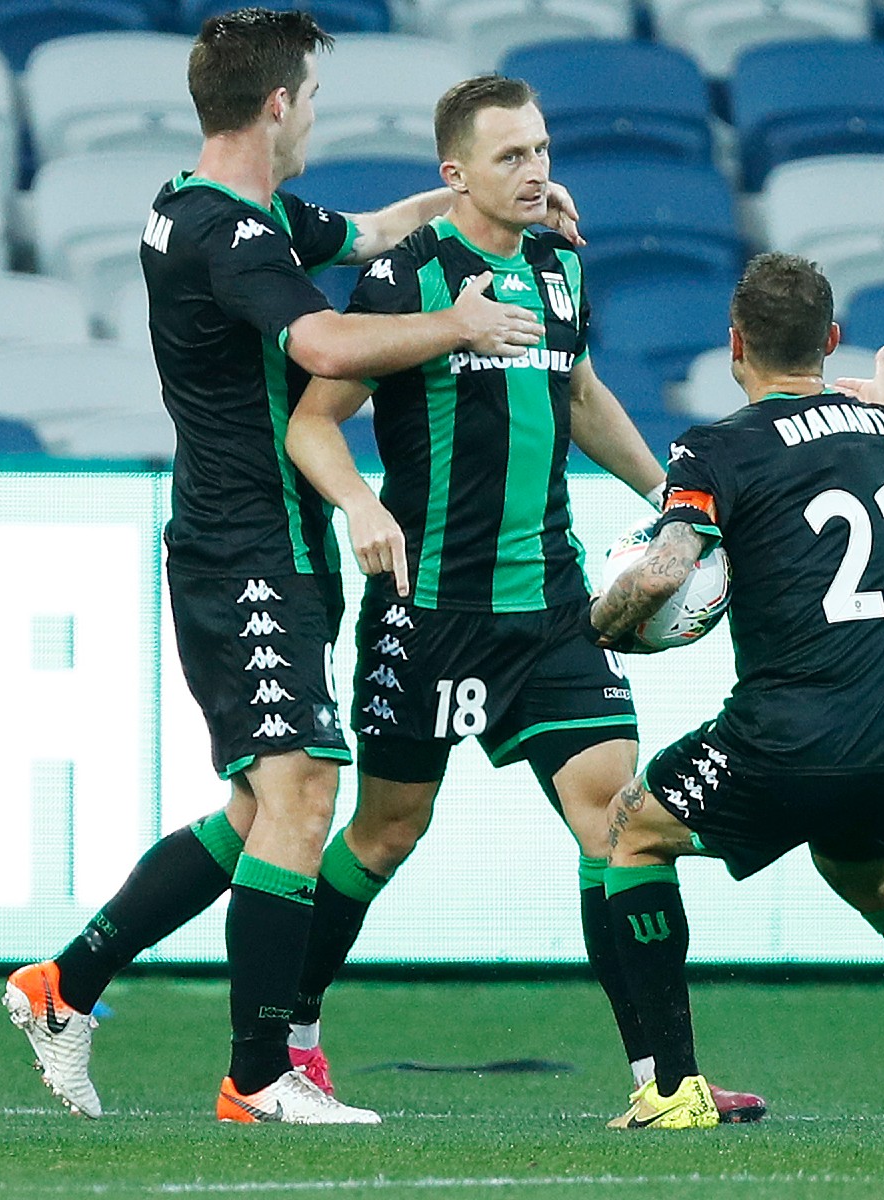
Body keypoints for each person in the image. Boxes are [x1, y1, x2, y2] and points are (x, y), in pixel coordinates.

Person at [2, 11, 575, 1126]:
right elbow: (320, 345)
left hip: (279, 542)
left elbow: (372, 231)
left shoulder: (233, 211)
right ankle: (260, 1076)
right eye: (310, 99)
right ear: (277, 104)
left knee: (256, 807)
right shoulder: (227, 233)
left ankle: (63, 985)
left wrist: (498, 202)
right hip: (242, 548)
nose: (314, 116)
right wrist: (455, 323)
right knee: (305, 787)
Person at [284, 75, 765, 1122]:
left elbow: (579, 393)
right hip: (429, 611)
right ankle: (291, 1040)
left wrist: (672, 503)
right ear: (454, 173)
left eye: (542, 150)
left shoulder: (557, 266)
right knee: (386, 832)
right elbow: (312, 421)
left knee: (619, 823)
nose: (537, 171)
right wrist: (360, 505)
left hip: (553, 608)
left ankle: (665, 1080)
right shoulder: (406, 278)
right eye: (511, 156)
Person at [586, 252, 884, 1130]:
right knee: (863, 870)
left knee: (630, 833)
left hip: (789, 734)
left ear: (734, 345)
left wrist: (601, 624)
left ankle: (671, 1089)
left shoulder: (715, 447)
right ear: (830, 340)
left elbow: (668, 568)